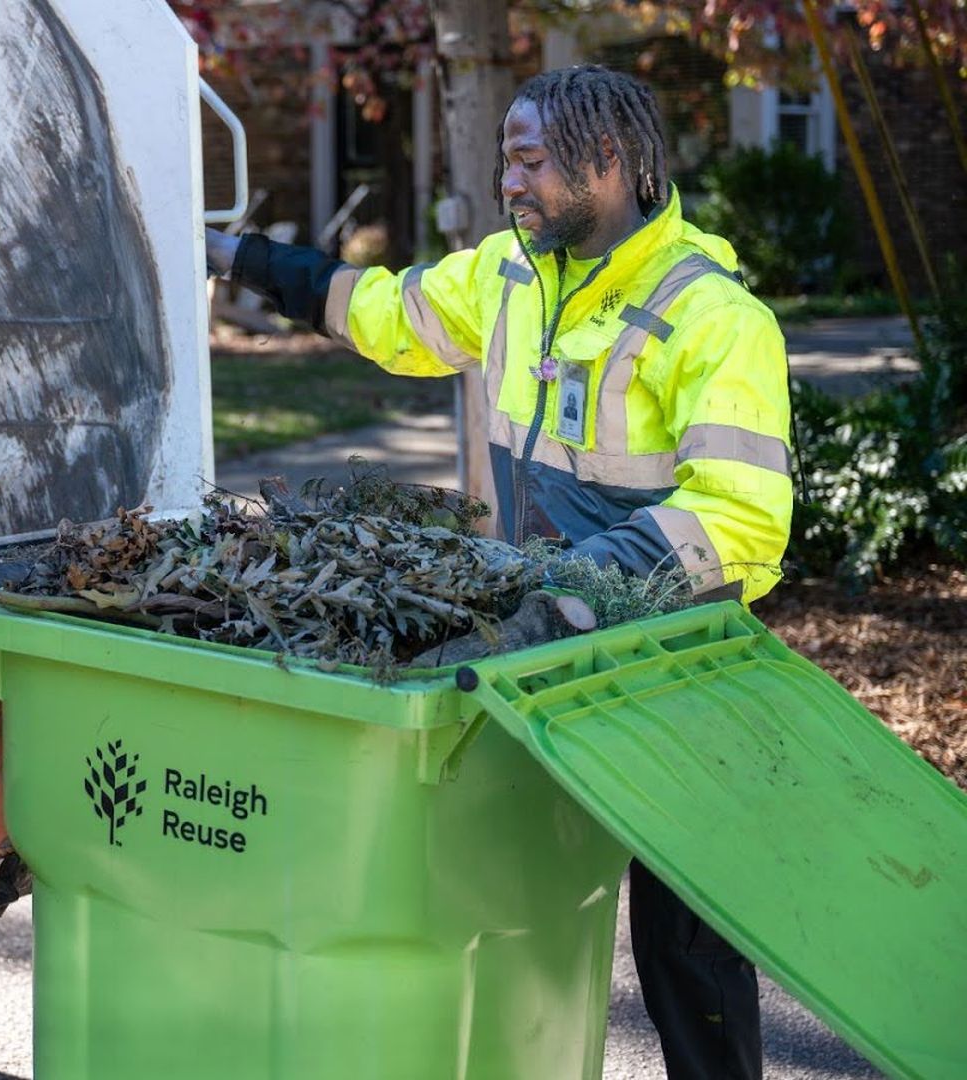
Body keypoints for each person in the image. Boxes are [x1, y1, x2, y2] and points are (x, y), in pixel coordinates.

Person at [208, 65, 789, 1080]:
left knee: (686, 953)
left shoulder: (717, 318)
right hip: (545, 652)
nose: (507, 182)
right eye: (505, 159)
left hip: (678, 673)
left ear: (605, 161)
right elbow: (382, 313)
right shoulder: (512, 278)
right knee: (507, 905)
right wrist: (237, 256)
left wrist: (566, 596)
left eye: (527, 161)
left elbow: (739, 519)